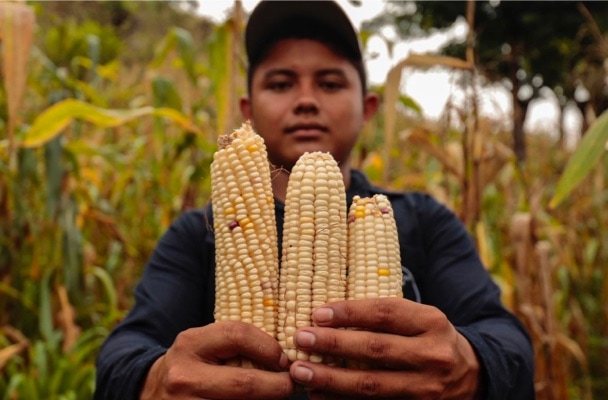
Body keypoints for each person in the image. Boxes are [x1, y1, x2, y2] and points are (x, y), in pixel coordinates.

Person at [94, 1, 535, 399]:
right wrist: (154, 380)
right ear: (248, 110)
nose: (306, 101)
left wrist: (471, 365)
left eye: (328, 83)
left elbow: (507, 339)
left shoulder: (424, 220)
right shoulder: (198, 233)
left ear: (368, 107)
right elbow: (123, 353)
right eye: (282, 83)